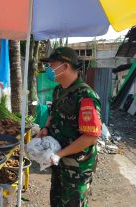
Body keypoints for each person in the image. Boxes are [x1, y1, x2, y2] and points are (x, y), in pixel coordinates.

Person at [37, 47, 102, 207]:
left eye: (52, 65)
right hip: (59, 162)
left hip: (77, 167)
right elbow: (53, 113)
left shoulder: (86, 96)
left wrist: (60, 154)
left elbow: (91, 136)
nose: (48, 69)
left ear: (65, 66)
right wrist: (46, 128)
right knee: (57, 202)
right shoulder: (59, 90)